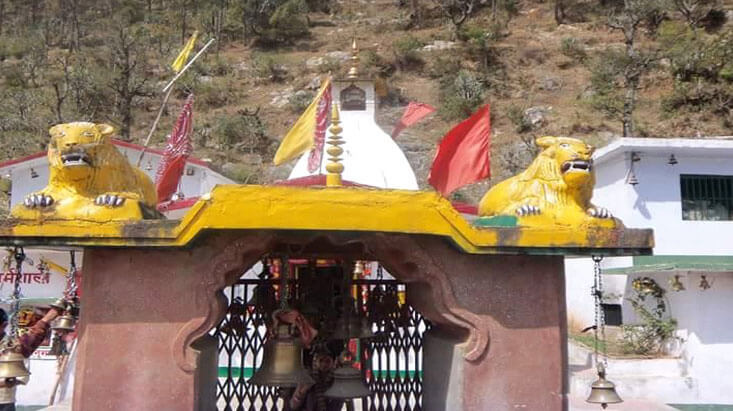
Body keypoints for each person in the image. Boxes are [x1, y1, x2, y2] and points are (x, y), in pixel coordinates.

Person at [0, 302, 64, 411]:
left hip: (3, 402)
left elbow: (32, 337)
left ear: (4, 325)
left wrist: (47, 318)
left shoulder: (12, 346)